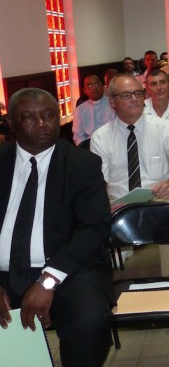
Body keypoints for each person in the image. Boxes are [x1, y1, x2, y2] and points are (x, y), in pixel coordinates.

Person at [0, 88, 113, 366]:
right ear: (11, 123)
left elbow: (93, 228)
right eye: (29, 117)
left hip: (68, 270)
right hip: (4, 274)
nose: (42, 124)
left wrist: (48, 280)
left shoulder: (82, 164)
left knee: (88, 321)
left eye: (49, 115)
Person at [91, 74, 169, 276]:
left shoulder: (163, 127)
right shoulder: (101, 137)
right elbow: (99, 182)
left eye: (138, 93)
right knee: (93, 218)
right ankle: (106, 284)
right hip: (118, 201)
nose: (134, 99)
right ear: (112, 101)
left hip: (158, 196)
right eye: (126, 95)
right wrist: (103, 205)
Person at [72, 74, 115, 146]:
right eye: (89, 86)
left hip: (113, 143)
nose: (93, 88)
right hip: (89, 146)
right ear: (84, 91)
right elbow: (78, 136)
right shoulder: (79, 110)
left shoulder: (114, 104)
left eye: (96, 84)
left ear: (103, 86)